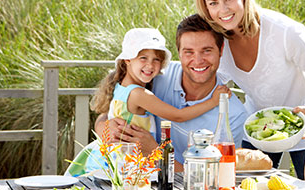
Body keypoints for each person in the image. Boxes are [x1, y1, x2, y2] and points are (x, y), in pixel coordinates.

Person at [194, 0, 305, 179]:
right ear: (206, 6)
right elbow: (208, 80)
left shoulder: (285, 31)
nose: (223, 10)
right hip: (259, 127)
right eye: (213, 3)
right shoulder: (217, 41)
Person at [66, 27, 231, 176]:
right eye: (143, 58)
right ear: (128, 60)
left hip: (114, 156)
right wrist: (213, 101)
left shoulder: (121, 86)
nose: (150, 65)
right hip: (124, 161)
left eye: (156, 60)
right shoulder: (139, 94)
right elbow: (178, 116)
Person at [94, 15, 248, 171]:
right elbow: (109, 114)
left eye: (206, 51)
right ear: (179, 52)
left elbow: (216, 177)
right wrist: (105, 128)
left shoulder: (233, 114)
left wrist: (156, 154)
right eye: (189, 52)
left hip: (181, 187)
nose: (198, 60)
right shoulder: (156, 77)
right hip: (128, 172)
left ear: (221, 50)